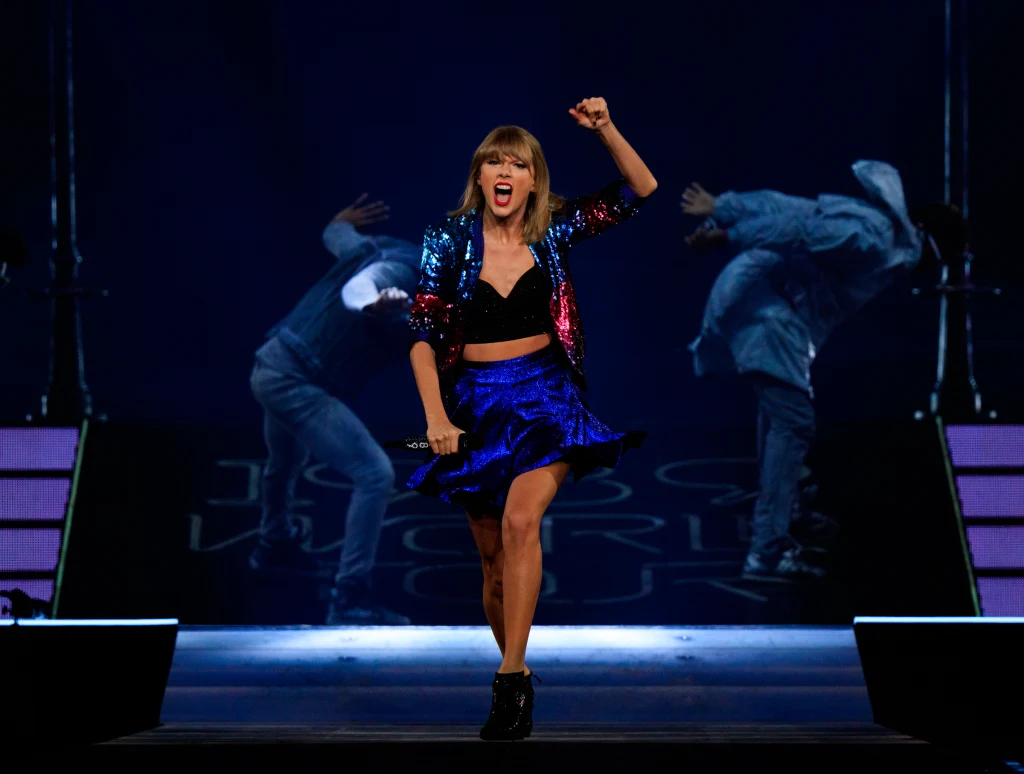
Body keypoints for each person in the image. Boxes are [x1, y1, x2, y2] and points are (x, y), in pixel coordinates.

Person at [406, 98, 656, 740]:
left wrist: (605, 129)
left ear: (534, 180)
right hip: (472, 407)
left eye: (517, 163)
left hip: (545, 397)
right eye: (494, 161)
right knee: (493, 565)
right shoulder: (447, 240)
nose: (504, 171)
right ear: (479, 175)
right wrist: (436, 416)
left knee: (522, 523)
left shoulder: (555, 229)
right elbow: (422, 336)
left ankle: (511, 681)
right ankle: (513, 668)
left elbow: (640, 188)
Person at [682, 161, 967, 583]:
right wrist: (728, 233)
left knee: (781, 414)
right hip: (769, 314)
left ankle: (789, 509)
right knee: (793, 422)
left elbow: (790, 207)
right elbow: (796, 227)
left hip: (773, 309)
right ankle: (767, 553)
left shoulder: (882, 237)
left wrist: (724, 207)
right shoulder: (876, 241)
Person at [249, 193, 421, 625]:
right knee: (374, 474)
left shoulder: (380, 247)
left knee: (285, 461)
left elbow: (337, 236)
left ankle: (274, 544)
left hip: (271, 362)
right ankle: (350, 599)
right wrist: (374, 305)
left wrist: (338, 223)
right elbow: (358, 288)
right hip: (294, 381)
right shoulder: (405, 271)